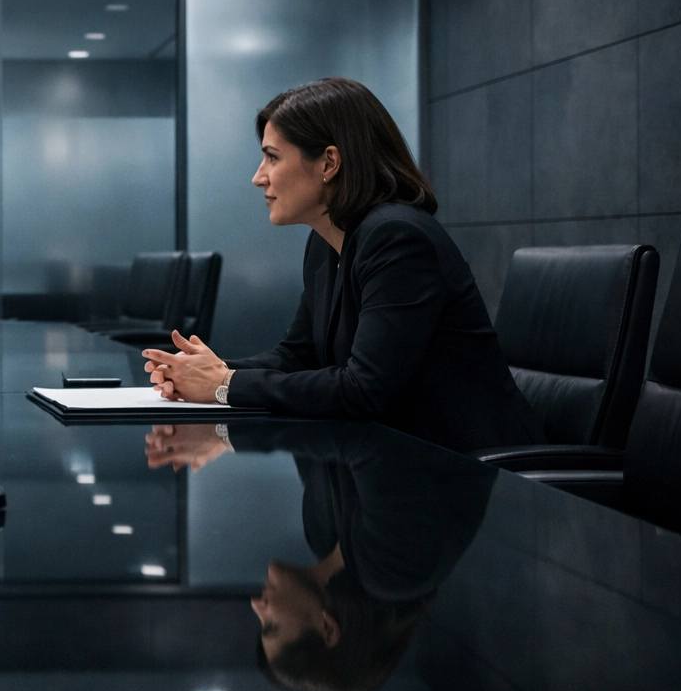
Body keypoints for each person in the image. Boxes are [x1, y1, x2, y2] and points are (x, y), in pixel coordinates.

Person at [141, 77, 542, 452]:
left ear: (329, 163)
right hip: (395, 463)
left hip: (475, 475)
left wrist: (225, 384)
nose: (258, 177)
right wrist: (203, 373)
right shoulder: (326, 240)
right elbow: (298, 355)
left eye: (272, 158)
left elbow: (364, 389)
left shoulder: (398, 238)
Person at [145, 420, 494, 691]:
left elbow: (309, 420)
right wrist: (225, 432)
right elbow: (363, 434)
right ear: (327, 628)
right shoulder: (398, 571)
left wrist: (219, 389)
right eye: (271, 625)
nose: (257, 605)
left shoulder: (322, 536)